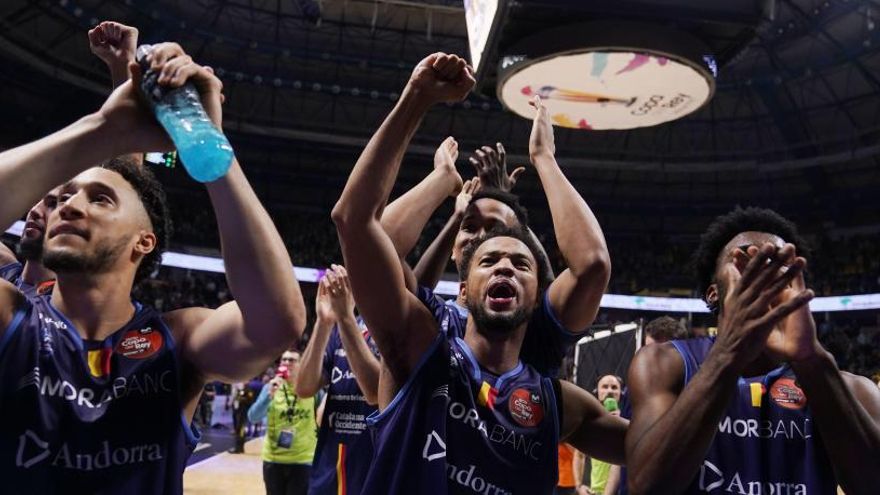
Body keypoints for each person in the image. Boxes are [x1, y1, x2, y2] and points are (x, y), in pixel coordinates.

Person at [0, 42, 306, 494]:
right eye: (64, 196)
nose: (68, 207)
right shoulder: (13, 317)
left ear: (144, 241)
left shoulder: (177, 340)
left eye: (99, 198)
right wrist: (103, 129)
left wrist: (210, 143)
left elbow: (277, 323)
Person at [332, 51, 626, 494]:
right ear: (461, 269)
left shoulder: (540, 353)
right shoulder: (424, 334)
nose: (489, 245)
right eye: (471, 231)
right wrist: (441, 180)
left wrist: (545, 158)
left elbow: (592, 265)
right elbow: (370, 236)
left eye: (504, 241)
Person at [626, 207, 880, 494]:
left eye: (776, 263)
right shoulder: (664, 363)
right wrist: (728, 354)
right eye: (745, 260)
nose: (763, 270)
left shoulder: (849, 388)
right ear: (714, 293)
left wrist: (810, 360)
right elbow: (645, 486)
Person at [0, 21, 140, 298]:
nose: (35, 211)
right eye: (38, 201)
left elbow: (127, 184)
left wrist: (123, 67)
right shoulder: (7, 273)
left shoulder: (76, 300)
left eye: (55, 203)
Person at [295, 265, 380, 495]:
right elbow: (303, 388)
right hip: (329, 468)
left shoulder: (394, 326)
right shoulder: (339, 329)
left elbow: (375, 392)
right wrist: (323, 323)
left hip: (373, 465)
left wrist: (344, 318)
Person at [248, 350, 318, 495]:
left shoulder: (311, 389)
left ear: (301, 364)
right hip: (273, 459)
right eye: (284, 360)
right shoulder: (269, 388)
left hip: (302, 459)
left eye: (292, 360)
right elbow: (253, 417)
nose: (286, 363)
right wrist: (268, 397)